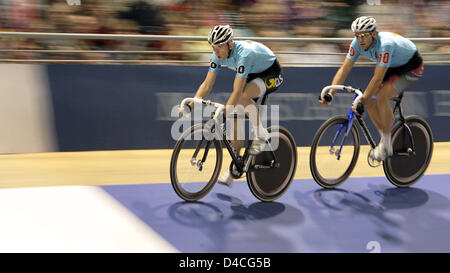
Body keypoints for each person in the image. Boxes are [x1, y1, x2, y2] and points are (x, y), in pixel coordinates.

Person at [179, 25, 284, 187]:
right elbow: (207, 85)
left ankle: (261, 134)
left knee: (241, 97)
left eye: (220, 47)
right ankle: (235, 167)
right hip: (252, 74)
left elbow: (237, 90)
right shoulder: (216, 56)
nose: (216, 51)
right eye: (213, 47)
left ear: (230, 44)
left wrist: (222, 113)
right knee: (235, 122)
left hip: (270, 73)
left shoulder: (244, 54)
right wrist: (190, 106)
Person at [319, 16, 424, 161]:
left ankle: (386, 146)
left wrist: (362, 99)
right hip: (392, 66)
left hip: (411, 66)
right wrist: (331, 93)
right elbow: (344, 69)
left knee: (381, 98)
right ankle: (385, 139)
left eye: (364, 36)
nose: (360, 40)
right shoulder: (356, 44)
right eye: (357, 36)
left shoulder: (385, 44)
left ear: (374, 33)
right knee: (368, 101)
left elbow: (377, 78)